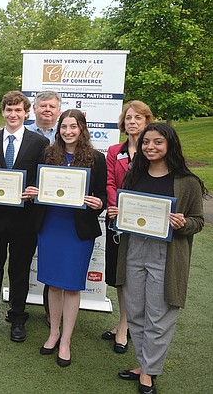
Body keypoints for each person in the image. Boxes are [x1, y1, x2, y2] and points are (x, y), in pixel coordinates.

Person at [111, 122, 205, 394]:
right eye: (146, 142)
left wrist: (183, 223)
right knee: (136, 311)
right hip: (134, 249)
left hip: (167, 254)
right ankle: (143, 363)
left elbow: (198, 222)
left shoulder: (187, 182)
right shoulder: (134, 174)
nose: (150, 147)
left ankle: (149, 372)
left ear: (170, 145)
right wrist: (119, 214)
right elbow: (128, 210)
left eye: (157, 142)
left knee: (159, 315)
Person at [0, 91, 49, 343]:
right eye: (8, 110)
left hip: (25, 219)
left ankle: (17, 316)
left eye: (18, 110)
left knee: (19, 269)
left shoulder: (39, 143)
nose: (13, 115)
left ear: (27, 113)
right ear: (3, 112)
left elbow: (40, 177)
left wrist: (34, 190)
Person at [29, 109, 106, 367]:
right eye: (64, 127)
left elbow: (102, 197)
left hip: (77, 230)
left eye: (73, 126)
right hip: (51, 225)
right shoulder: (49, 154)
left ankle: (66, 341)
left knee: (72, 285)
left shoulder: (96, 158)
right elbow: (39, 186)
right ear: (59, 129)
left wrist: (99, 203)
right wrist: (35, 191)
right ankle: (53, 333)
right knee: (53, 283)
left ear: (82, 128)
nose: (68, 131)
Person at [102, 101, 153, 353]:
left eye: (138, 118)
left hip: (145, 225)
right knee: (120, 275)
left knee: (140, 276)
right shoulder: (114, 151)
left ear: (147, 121)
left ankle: (128, 325)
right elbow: (110, 183)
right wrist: (116, 207)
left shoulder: (153, 151)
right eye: (129, 118)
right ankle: (124, 322)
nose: (133, 122)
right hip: (118, 222)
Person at [24, 90, 61, 327]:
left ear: (58, 111)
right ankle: (17, 306)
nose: (47, 110)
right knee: (22, 259)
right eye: (43, 106)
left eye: (52, 107)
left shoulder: (67, 134)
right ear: (34, 109)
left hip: (55, 209)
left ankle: (52, 311)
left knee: (52, 260)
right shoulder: (22, 133)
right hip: (27, 206)